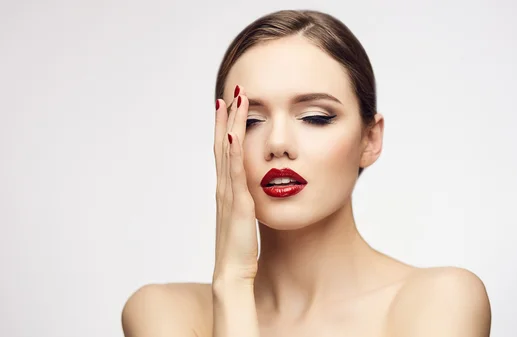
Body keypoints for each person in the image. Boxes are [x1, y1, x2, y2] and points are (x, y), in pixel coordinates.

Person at [121, 9, 491, 337]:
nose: (278, 142)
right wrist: (232, 283)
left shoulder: (440, 301)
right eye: (250, 120)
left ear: (370, 139)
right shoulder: (167, 313)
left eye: (315, 117)